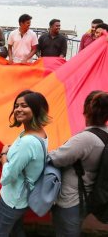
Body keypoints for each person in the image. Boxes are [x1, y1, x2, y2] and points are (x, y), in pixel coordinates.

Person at [0, 90, 50, 237]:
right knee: (16, 231)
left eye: (24, 106)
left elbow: (6, 177)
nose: (18, 109)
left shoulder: (28, 142)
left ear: (35, 109)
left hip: (12, 200)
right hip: (22, 199)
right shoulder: (38, 133)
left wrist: (3, 155)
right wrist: (0, 160)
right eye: (16, 106)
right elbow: (25, 162)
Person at [49, 91, 108, 237]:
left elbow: (55, 158)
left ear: (86, 110)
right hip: (87, 196)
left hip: (71, 199)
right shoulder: (105, 134)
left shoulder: (85, 139)